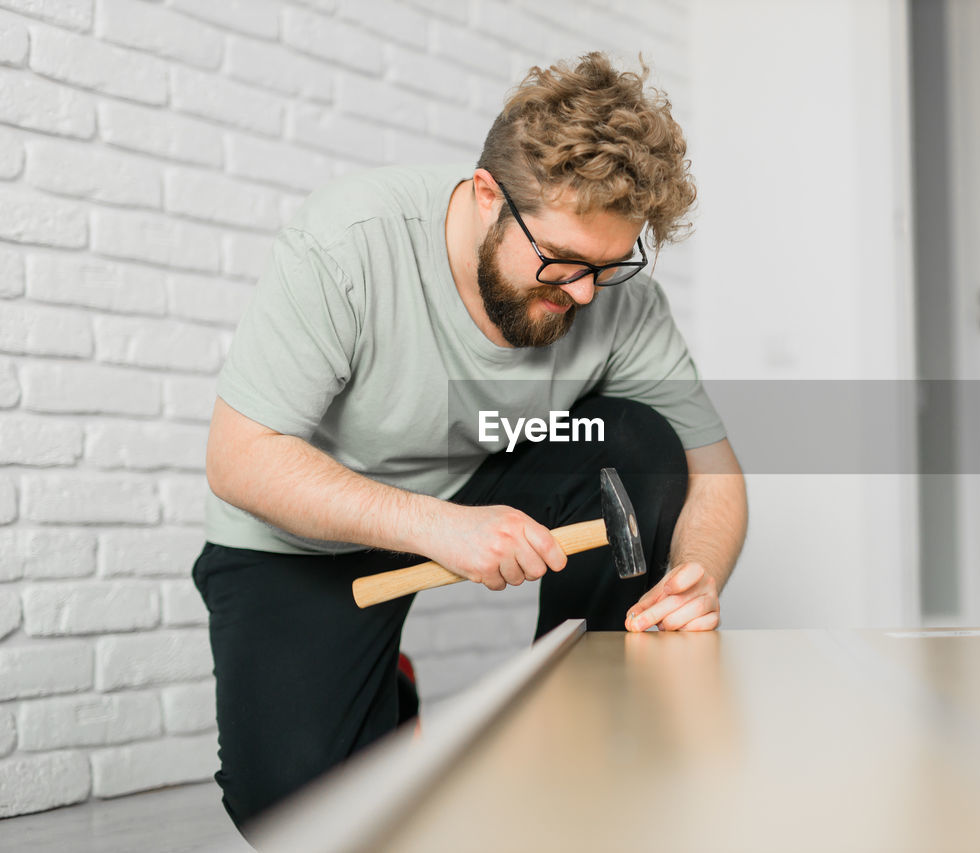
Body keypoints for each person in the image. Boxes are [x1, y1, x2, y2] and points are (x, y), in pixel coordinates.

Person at [192, 52, 748, 836]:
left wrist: (700, 576)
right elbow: (239, 456)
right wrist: (430, 524)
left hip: (473, 485)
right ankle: (389, 690)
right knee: (299, 818)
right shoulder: (349, 241)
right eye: (560, 260)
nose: (584, 293)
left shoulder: (616, 299)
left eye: (607, 266)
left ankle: (592, 725)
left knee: (638, 441)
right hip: (303, 534)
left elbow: (714, 475)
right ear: (488, 195)